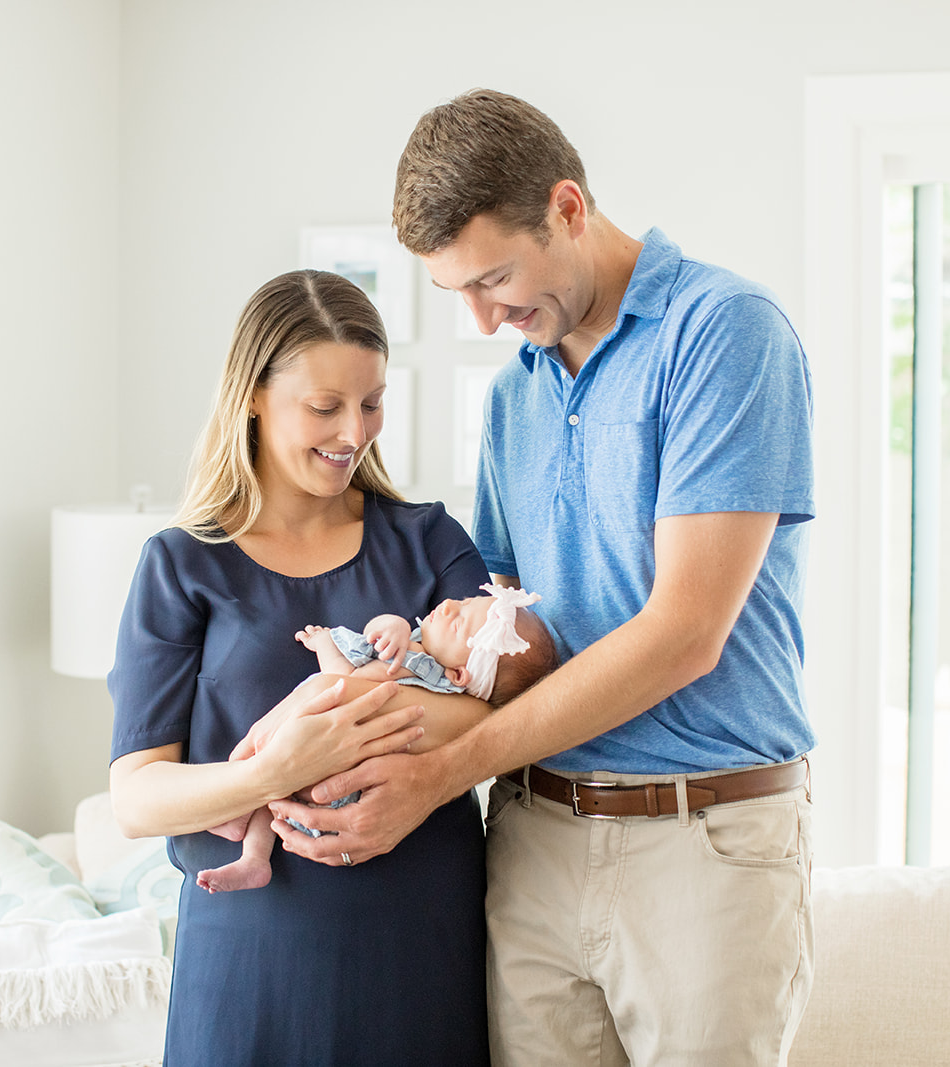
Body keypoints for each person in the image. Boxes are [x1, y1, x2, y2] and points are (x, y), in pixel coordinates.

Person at [268, 89, 818, 1067]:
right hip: (532, 835)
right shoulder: (517, 395)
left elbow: (686, 633)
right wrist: (409, 661)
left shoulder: (721, 334)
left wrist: (435, 773)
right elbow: (500, 631)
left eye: (494, 278)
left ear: (568, 208)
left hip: (700, 839)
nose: (485, 318)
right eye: (457, 295)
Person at [107, 269, 493, 1065]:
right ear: (252, 394)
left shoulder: (430, 540)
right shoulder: (182, 566)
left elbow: (492, 707)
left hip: (420, 952)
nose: (355, 430)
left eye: (373, 402)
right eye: (325, 406)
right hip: (249, 969)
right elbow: (138, 795)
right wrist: (272, 771)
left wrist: (342, 722)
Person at [197, 584, 556, 893]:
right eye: (463, 602)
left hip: (331, 779)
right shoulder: (434, 675)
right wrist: (394, 626)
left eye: (459, 620)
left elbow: (343, 682)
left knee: (272, 771)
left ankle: (240, 821)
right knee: (276, 787)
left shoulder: (416, 667)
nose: (448, 606)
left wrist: (325, 643)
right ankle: (254, 858)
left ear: (460, 674)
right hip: (332, 787)